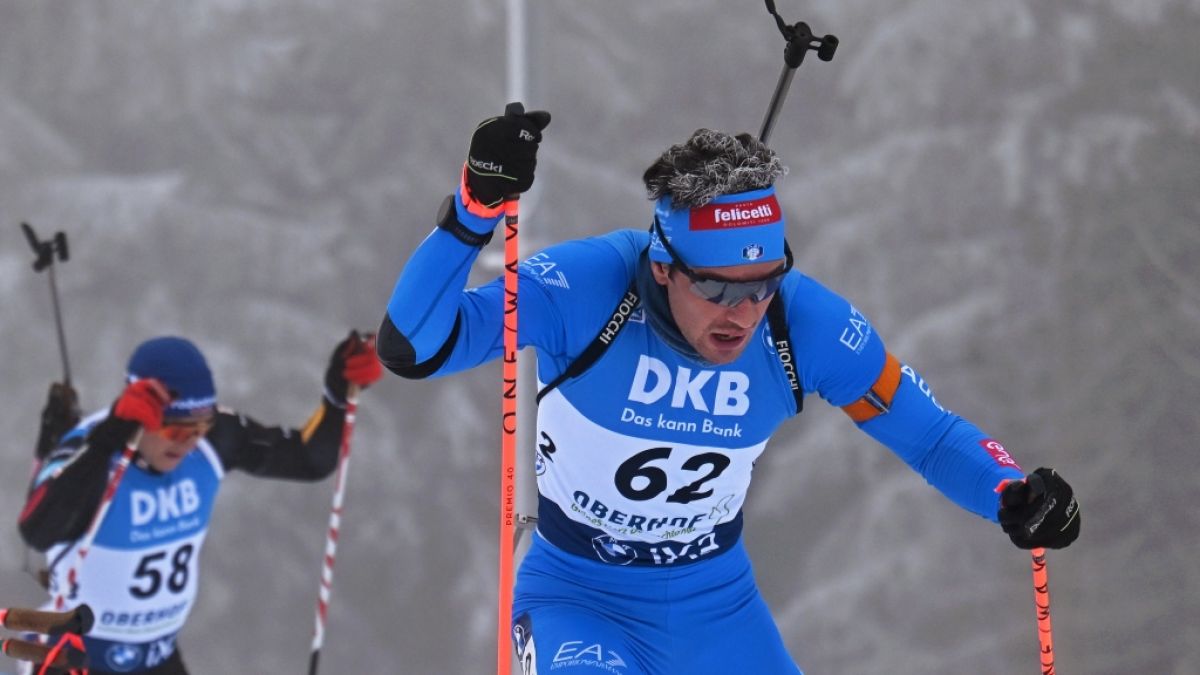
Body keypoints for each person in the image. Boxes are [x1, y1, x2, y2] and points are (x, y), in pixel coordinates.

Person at [376, 105, 1081, 674]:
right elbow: (415, 346)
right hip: (579, 594)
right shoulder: (590, 287)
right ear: (662, 266)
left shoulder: (803, 323)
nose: (740, 313)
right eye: (714, 287)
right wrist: (474, 209)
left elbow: (928, 434)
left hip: (716, 606)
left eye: (761, 285)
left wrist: (1011, 492)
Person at [17, 331, 383, 674]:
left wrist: (337, 397)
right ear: (138, 412)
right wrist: (109, 438)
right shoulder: (94, 446)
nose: (187, 443)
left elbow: (307, 458)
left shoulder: (214, 442)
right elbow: (38, 530)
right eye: (175, 430)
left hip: (157, 658)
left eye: (199, 428)